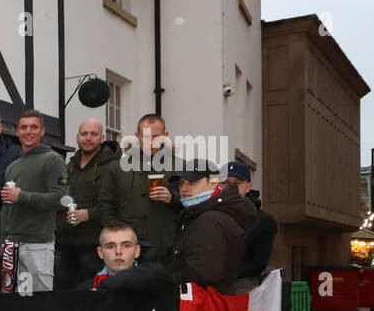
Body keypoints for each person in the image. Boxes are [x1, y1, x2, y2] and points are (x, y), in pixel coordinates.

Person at [0, 109, 67, 293]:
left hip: (38, 244)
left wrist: (22, 196)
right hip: (12, 245)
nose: (29, 131)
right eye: (24, 127)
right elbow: (6, 207)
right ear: (18, 131)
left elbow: (61, 199)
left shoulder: (53, 160)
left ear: (42, 131)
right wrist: (3, 240)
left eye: (34, 127)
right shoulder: (12, 167)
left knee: (39, 303)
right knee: (18, 304)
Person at [166, 161, 258, 294]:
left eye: (192, 182)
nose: (184, 188)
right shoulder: (202, 214)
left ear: (214, 183)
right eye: (181, 183)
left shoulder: (209, 220)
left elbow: (202, 274)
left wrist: (164, 281)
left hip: (201, 304)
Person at [100, 112, 180, 262]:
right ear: (137, 136)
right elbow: (106, 205)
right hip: (127, 246)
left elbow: (191, 202)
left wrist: (172, 197)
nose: (151, 142)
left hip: (165, 245)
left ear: (166, 135)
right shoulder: (117, 167)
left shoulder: (179, 166)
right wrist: (116, 236)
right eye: (146, 137)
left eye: (156, 137)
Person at [54, 118, 118, 289]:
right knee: (62, 296)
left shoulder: (113, 167)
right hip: (64, 243)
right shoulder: (69, 166)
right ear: (77, 137)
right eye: (84, 134)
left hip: (92, 244)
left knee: (90, 296)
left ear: (102, 138)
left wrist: (88, 214)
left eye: (93, 134)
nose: (88, 138)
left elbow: (116, 203)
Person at [223, 160, 277, 281]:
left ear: (248, 187)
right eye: (226, 182)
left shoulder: (264, 221)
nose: (230, 188)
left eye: (237, 183)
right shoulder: (211, 212)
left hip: (241, 288)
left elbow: (257, 264)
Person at [80, 221, 168, 292]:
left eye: (126, 246)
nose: (118, 252)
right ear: (100, 253)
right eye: (110, 246)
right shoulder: (85, 291)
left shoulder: (156, 284)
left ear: (137, 251)